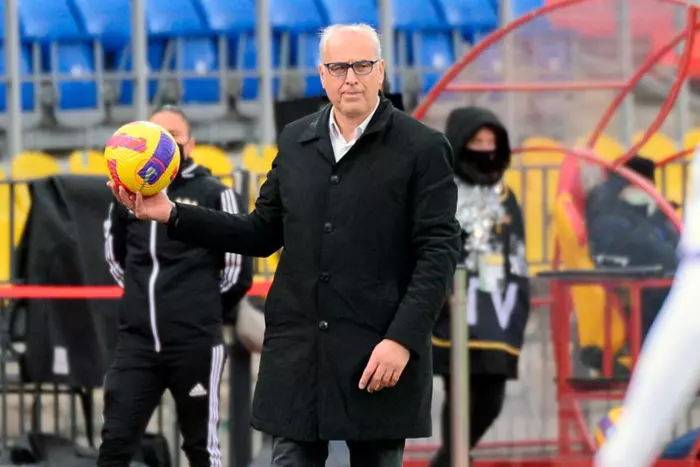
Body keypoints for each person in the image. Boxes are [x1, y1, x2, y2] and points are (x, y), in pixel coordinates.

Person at [108, 23, 461, 467]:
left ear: (381, 71)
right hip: (298, 356)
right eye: (338, 67)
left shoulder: (423, 147)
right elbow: (261, 231)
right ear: (322, 75)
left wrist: (402, 340)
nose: (351, 78)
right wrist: (172, 213)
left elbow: (438, 252)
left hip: (377, 353)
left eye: (362, 65)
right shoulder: (296, 140)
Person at [100, 105, 253, 466]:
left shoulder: (214, 193)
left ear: (191, 144)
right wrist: (143, 300)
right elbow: (116, 259)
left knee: (201, 448)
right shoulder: (127, 196)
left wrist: (199, 310)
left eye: (172, 137)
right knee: (115, 443)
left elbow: (237, 272)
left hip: (195, 344)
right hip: (137, 344)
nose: (162, 144)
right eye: (155, 136)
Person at [428, 107, 531, 466]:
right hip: (454, 308)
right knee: (461, 391)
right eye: (477, 141)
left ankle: (449, 460)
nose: (485, 149)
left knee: (492, 397)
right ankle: (455, 459)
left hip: (498, 310)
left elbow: (517, 251)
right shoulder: (441, 191)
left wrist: (518, 302)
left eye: (491, 142)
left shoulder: (506, 195)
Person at [593, 150, 700, 467]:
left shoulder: (655, 216)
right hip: (670, 298)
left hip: (679, 291)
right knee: (646, 414)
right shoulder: (611, 216)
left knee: (646, 416)